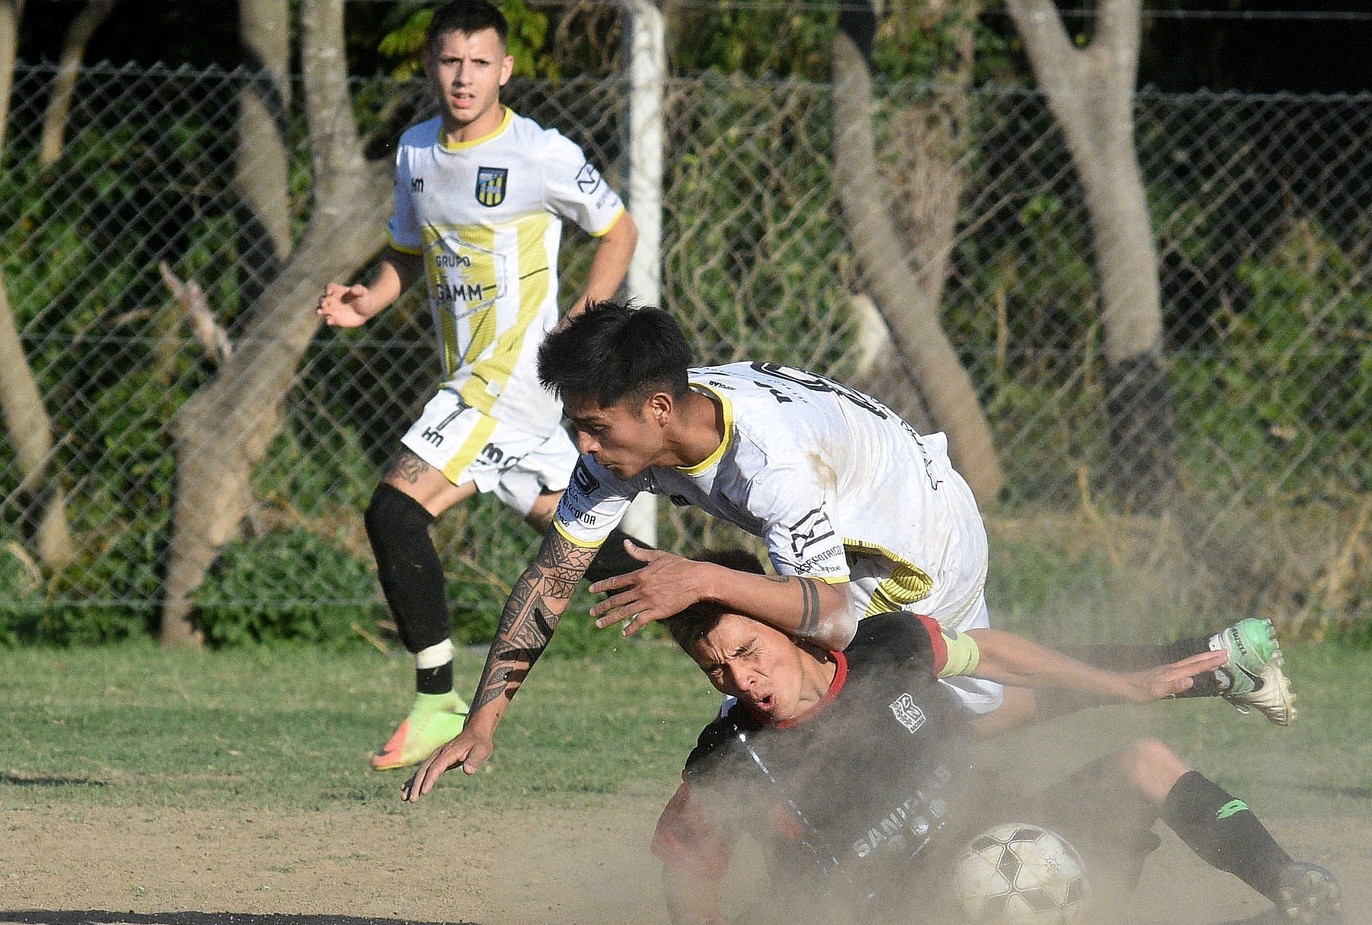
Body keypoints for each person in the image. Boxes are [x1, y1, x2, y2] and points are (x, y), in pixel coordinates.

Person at [402, 302, 1296, 799]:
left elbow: (829, 618)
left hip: (922, 552)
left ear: (660, 411)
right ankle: (1211, 662)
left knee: (921, 714)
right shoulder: (645, 432)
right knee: (975, 704)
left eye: (596, 430)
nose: (585, 452)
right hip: (882, 522)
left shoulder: (770, 469)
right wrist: (487, 717)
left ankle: (1198, 666)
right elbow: (553, 572)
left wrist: (703, 577)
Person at [648, 550, 1343, 925]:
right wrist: (700, 921)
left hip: (1015, 835)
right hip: (908, 923)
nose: (742, 678)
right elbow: (686, 843)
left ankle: (1292, 888)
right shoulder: (735, 751)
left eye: (748, 651)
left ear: (788, 626)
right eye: (717, 669)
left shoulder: (882, 649)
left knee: (1143, 760)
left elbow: (995, 656)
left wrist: (1118, 684)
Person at [315, 1, 641, 770]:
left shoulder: (539, 153)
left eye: (478, 63)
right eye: (450, 62)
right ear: (433, 66)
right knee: (603, 553)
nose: (463, 77)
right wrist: (369, 297)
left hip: (505, 383)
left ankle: (437, 700)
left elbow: (616, 228)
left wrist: (587, 312)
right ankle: (765, 620)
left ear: (505, 70)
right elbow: (404, 251)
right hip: (487, 392)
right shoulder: (417, 151)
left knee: (395, 512)